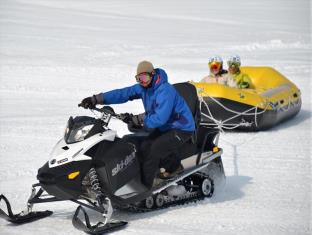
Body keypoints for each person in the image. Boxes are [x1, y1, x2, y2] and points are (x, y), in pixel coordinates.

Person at [79, 61, 195, 189]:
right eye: (139, 78)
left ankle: (147, 188)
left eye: (145, 77)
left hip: (181, 128)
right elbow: (123, 93)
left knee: (153, 150)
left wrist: (139, 119)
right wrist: (96, 99)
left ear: (152, 75)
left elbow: (160, 118)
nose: (142, 81)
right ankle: (147, 176)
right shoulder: (144, 87)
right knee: (142, 146)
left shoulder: (165, 90)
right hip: (166, 127)